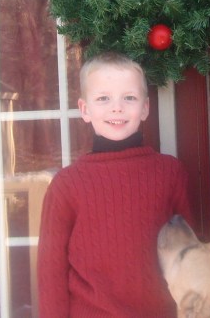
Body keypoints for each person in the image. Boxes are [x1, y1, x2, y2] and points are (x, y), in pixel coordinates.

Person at [37, 51, 192, 317]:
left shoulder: (170, 172)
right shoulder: (67, 184)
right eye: (103, 98)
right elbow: (51, 270)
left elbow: (191, 254)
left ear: (145, 108)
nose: (117, 107)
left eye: (129, 98)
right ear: (85, 110)